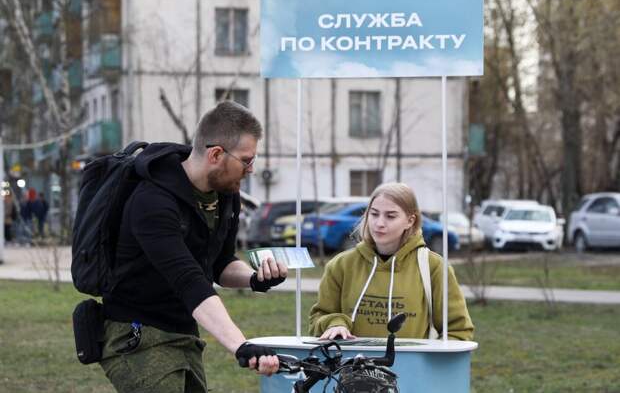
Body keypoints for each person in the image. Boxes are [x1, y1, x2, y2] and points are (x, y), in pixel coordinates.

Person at [100, 101, 287, 392]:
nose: (251, 170)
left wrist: (254, 278)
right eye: (246, 160)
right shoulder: (152, 202)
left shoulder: (225, 196)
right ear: (216, 154)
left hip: (184, 331)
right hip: (137, 335)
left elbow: (220, 263)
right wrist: (241, 345)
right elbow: (189, 281)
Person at [309, 182, 474, 341]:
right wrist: (334, 324)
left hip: (412, 362)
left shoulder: (434, 267)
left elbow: (458, 330)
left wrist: (431, 358)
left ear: (410, 221)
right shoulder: (341, 265)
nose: (379, 223)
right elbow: (318, 317)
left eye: (390, 216)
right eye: (374, 214)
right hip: (352, 361)